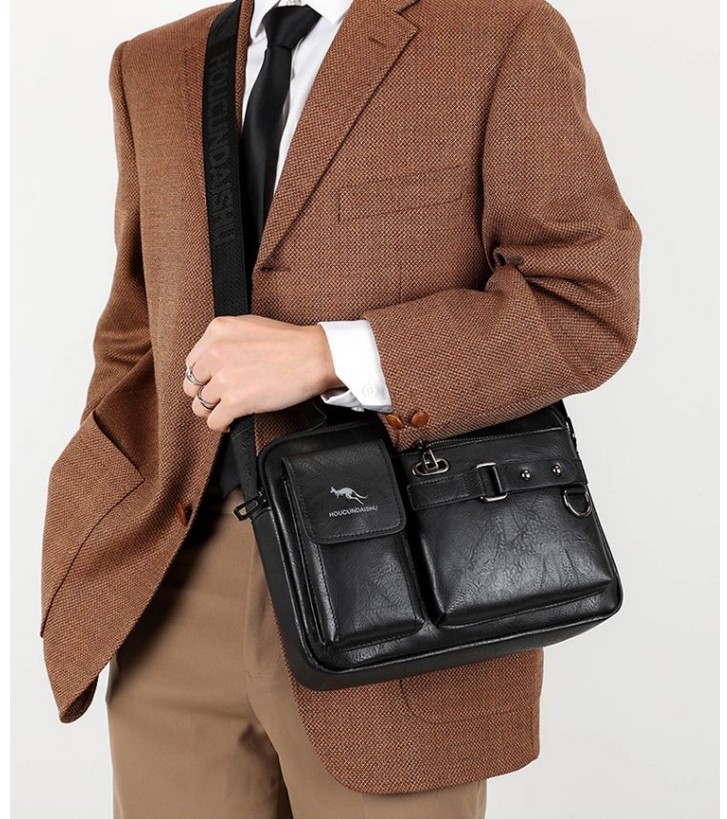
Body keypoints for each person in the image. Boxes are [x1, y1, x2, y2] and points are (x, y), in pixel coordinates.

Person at [40, 0, 641, 816]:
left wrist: (331, 354)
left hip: (401, 588)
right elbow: (133, 331)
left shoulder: (498, 34)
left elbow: (585, 300)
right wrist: (99, 502)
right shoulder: (150, 64)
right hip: (170, 589)